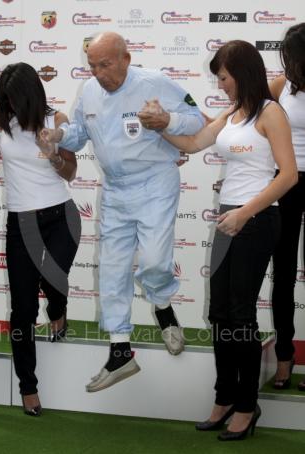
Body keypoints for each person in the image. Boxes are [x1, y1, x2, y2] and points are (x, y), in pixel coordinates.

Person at [139, 40, 298, 440]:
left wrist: (246, 212)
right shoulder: (233, 112)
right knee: (220, 316)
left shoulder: (271, 112)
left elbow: (289, 175)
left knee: (240, 317)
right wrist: (161, 129)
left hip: (256, 221)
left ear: (241, 74)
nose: (221, 84)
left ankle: (247, 404)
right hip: (230, 221)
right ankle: (224, 396)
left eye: (224, 77)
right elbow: (193, 144)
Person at [39, 32, 204, 392]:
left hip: (156, 182)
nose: (98, 72)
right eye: (92, 65)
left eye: (105, 64)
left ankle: (162, 307)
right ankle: (120, 350)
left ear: (126, 58)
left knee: (156, 261)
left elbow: (197, 119)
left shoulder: (155, 82)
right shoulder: (90, 91)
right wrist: (58, 136)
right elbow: (80, 133)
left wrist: (167, 121)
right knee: (113, 269)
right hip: (116, 189)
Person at [0, 62, 81, 416]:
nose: (9, 105)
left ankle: (58, 309)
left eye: (15, 98)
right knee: (23, 308)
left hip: (61, 217)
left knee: (54, 278)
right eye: (4, 99)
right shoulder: (0, 118)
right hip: (21, 220)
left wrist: (54, 155)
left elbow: (71, 173)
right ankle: (28, 387)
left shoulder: (57, 121)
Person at [269, 23, 305, 392]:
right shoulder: (281, 86)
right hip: (286, 181)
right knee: (283, 275)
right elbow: (252, 120)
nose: (288, 63)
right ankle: (284, 358)